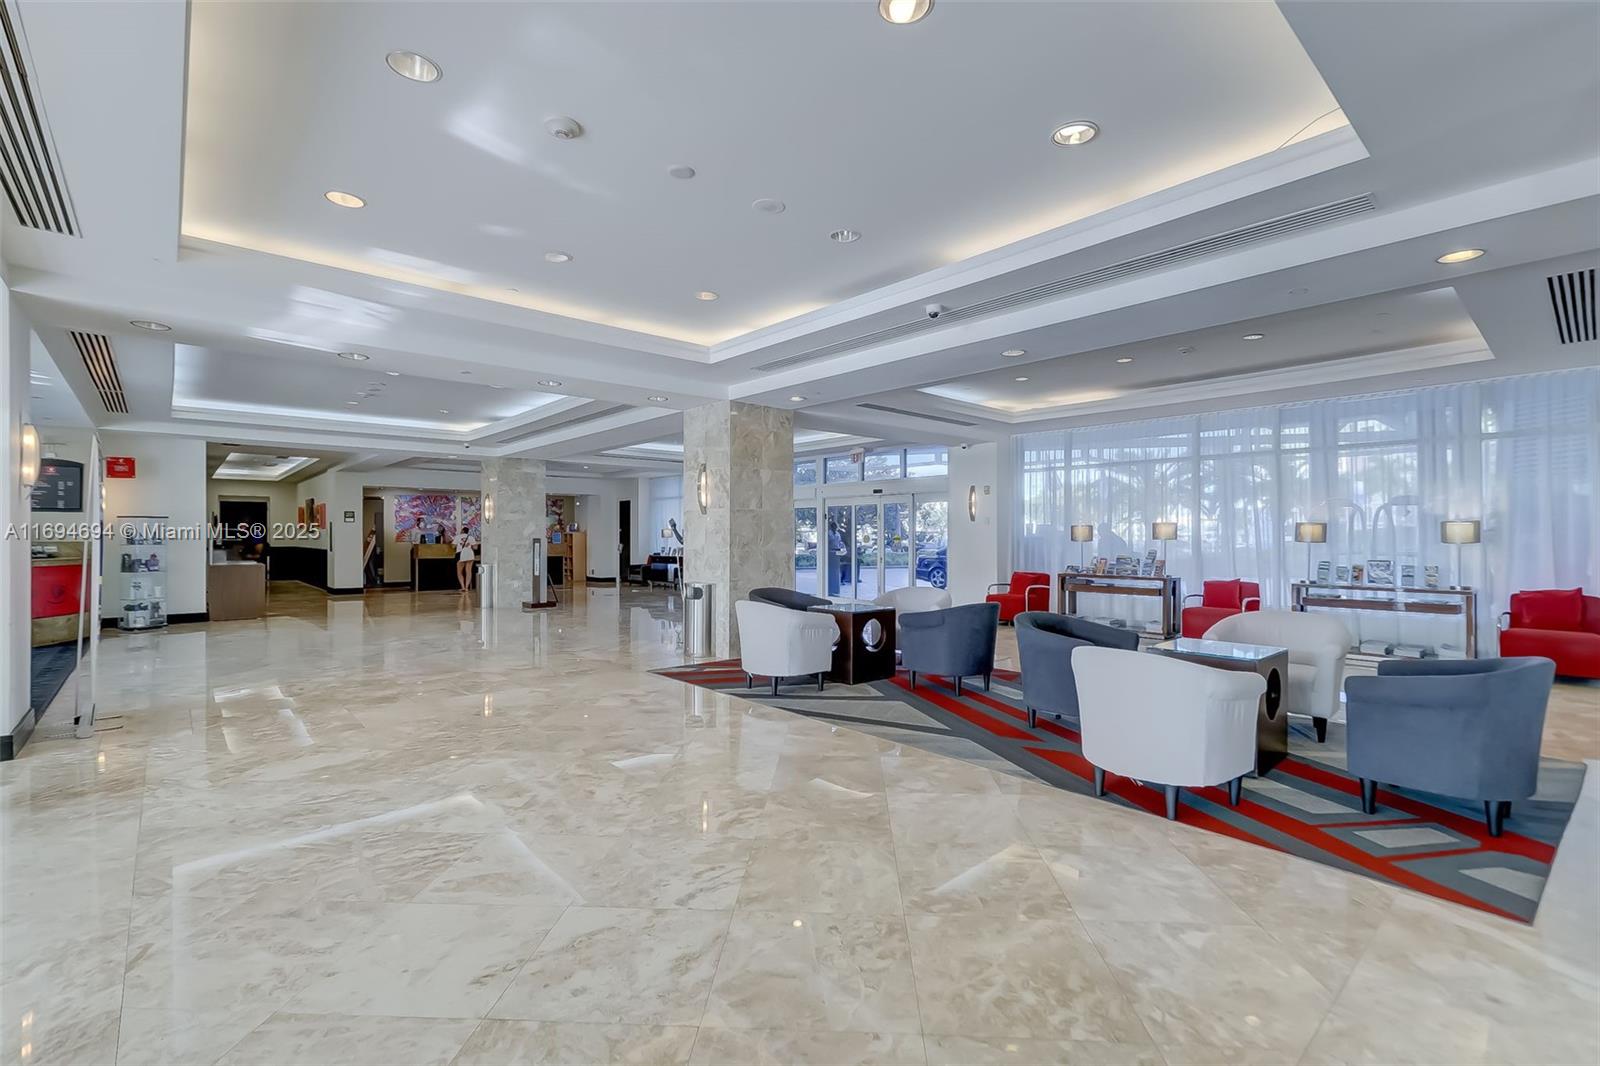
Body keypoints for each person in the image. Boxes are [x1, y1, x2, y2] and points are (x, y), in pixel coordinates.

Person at [453, 527, 476, 592]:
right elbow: (475, 547)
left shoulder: (457, 537)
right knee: (468, 571)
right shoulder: (471, 537)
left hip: (460, 554)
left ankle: (463, 587)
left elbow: (453, 546)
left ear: (462, 531)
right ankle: (467, 587)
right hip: (469, 554)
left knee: (459, 572)